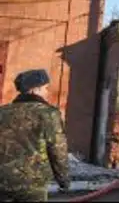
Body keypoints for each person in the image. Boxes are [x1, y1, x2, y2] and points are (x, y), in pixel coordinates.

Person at [0, 69, 70, 201]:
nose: (47, 92)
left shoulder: (2, 112)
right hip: (32, 184)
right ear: (35, 89)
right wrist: (64, 180)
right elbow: (57, 149)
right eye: (45, 88)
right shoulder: (48, 114)